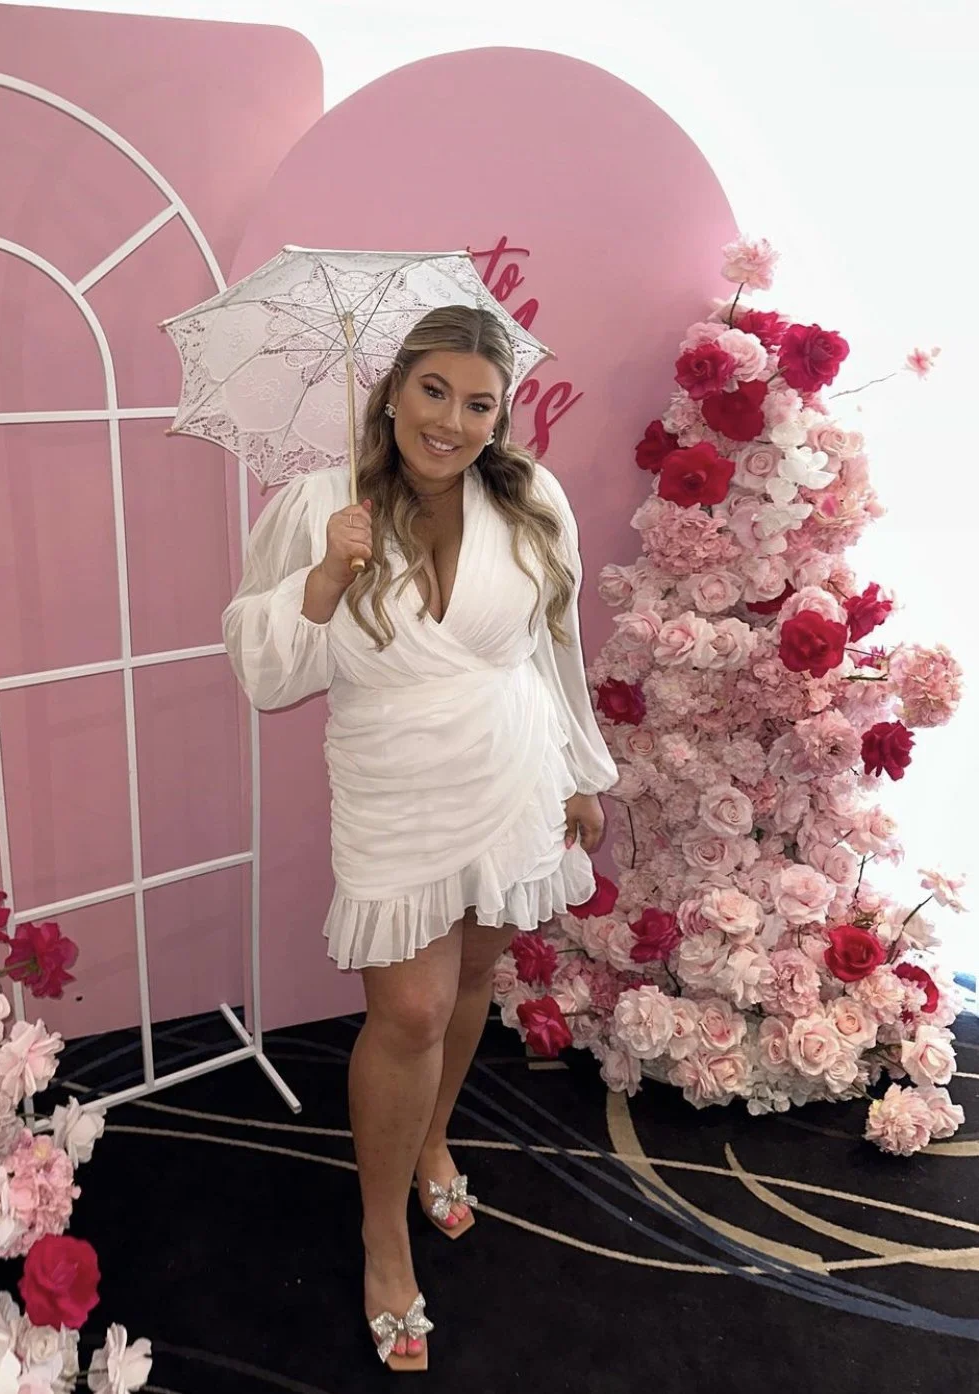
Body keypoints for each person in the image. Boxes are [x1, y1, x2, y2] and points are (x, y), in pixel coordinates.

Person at [222, 305, 617, 1371]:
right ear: (393, 390)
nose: (450, 419)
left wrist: (581, 772)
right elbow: (265, 673)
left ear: (500, 416)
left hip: (512, 766)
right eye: (432, 390)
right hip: (395, 780)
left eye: (477, 402)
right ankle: (382, 1232)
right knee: (410, 1005)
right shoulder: (319, 502)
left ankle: (434, 1135)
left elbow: (556, 645)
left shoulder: (529, 499)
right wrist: (324, 576)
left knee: (477, 969)